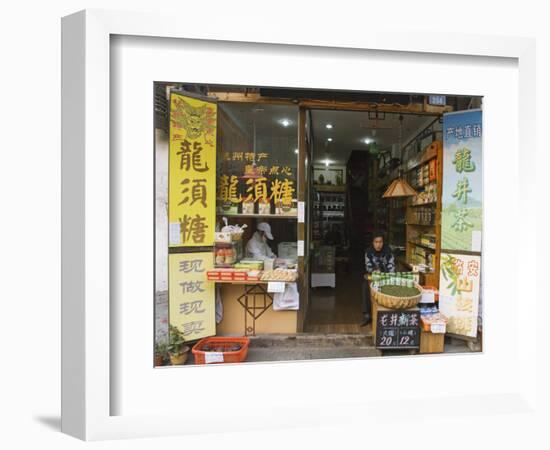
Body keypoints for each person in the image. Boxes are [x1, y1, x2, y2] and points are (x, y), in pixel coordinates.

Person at [361, 231, 395, 326]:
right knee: (365, 286)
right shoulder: (369, 252)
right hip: (373, 276)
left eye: (380, 242)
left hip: (386, 276)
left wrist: (386, 274)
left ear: (383, 242)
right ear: (373, 242)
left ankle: (387, 314)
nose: (378, 244)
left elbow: (391, 266)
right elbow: (368, 266)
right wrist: (375, 271)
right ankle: (367, 314)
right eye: (376, 242)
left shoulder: (388, 251)